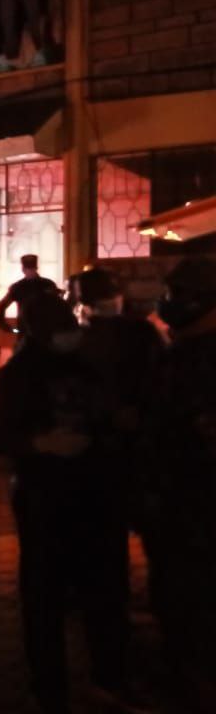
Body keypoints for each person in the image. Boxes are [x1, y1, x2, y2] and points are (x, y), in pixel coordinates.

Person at [0, 294, 137, 714]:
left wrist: (117, 424)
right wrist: (41, 443)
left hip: (98, 496)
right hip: (44, 501)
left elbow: (109, 413)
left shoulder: (90, 365)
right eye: (58, 329)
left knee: (105, 594)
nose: (68, 335)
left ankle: (110, 679)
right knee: (44, 601)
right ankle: (49, 691)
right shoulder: (18, 376)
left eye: (69, 325)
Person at [144, 257, 216, 707]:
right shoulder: (179, 351)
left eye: (175, 295)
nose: (166, 303)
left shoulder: (201, 358)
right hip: (172, 502)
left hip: (198, 505)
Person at [0, 254, 59, 327]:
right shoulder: (18, 287)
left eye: (31, 269)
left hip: (44, 326)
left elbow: (57, 306)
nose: (30, 271)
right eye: (28, 268)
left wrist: (3, 325)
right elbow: (2, 305)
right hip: (29, 327)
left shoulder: (48, 284)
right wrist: (3, 324)